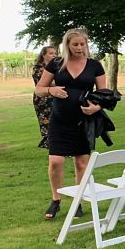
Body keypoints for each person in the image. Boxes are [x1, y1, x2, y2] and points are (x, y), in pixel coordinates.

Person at [35, 29, 106, 220]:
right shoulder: (56, 63)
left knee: (81, 163)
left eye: (83, 44)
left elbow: (104, 95)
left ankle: (78, 202)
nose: (80, 48)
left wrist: (96, 108)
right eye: (75, 44)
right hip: (59, 120)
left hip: (83, 121)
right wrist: (51, 90)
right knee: (56, 161)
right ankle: (56, 199)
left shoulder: (95, 65)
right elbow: (39, 89)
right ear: (67, 45)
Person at [32, 45, 57, 149]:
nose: (54, 55)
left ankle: (59, 145)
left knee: (57, 122)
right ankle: (51, 146)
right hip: (42, 100)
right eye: (51, 53)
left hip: (55, 98)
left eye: (55, 53)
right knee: (46, 123)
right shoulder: (38, 68)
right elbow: (46, 83)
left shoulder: (56, 66)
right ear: (43, 55)